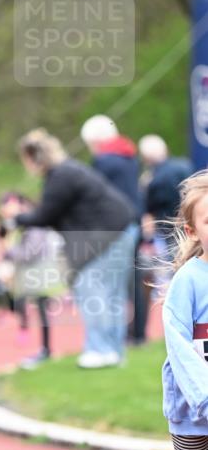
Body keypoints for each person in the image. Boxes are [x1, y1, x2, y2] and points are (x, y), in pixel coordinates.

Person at [16, 129, 137, 369]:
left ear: (33, 157)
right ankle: (113, 351)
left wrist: (16, 219)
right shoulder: (68, 170)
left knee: (93, 292)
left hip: (106, 235)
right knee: (111, 295)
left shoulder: (60, 176)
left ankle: (100, 350)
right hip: (120, 230)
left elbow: (45, 215)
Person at [154, 170, 208, 450]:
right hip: (193, 407)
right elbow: (179, 345)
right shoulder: (188, 280)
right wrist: (204, 397)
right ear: (193, 230)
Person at [80, 114, 147, 345]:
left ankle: (109, 340)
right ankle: (137, 333)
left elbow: (94, 196)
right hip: (134, 221)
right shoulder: (129, 157)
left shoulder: (104, 161)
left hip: (115, 226)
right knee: (131, 281)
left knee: (110, 285)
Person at [0, 195, 66, 369]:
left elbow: (30, 252)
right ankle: (45, 348)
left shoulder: (33, 223)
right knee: (31, 306)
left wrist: (9, 251)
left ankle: (46, 349)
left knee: (42, 310)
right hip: (32, 273)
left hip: (39, 273)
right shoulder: (23, 224)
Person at [139, 134, 193, 259]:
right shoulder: (185, 165)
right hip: (189, 223)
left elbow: (149, 209)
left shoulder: (153, 179)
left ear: (146, 157)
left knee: (172, 260)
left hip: (167, 229)